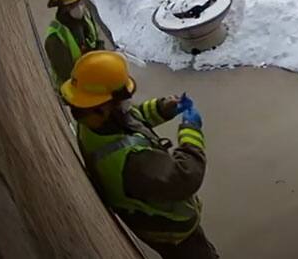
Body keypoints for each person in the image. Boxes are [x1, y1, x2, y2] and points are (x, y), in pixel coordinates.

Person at [61, 51, 217, 258]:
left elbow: (134, 118)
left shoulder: (94, 123)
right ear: (104, 107)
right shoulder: (132, 161)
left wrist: (164, 108)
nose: (128, 103)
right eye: (124, 99)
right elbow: (185, 177)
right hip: (173, 234)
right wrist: (191, 131)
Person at [44, 0, 105, 88]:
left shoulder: (85, 16)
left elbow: (95, 39)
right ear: (63, 7)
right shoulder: (55, 38)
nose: (80, 7)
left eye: (80, 2)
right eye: (73, 4)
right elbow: (69, 77)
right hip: (76, 89)